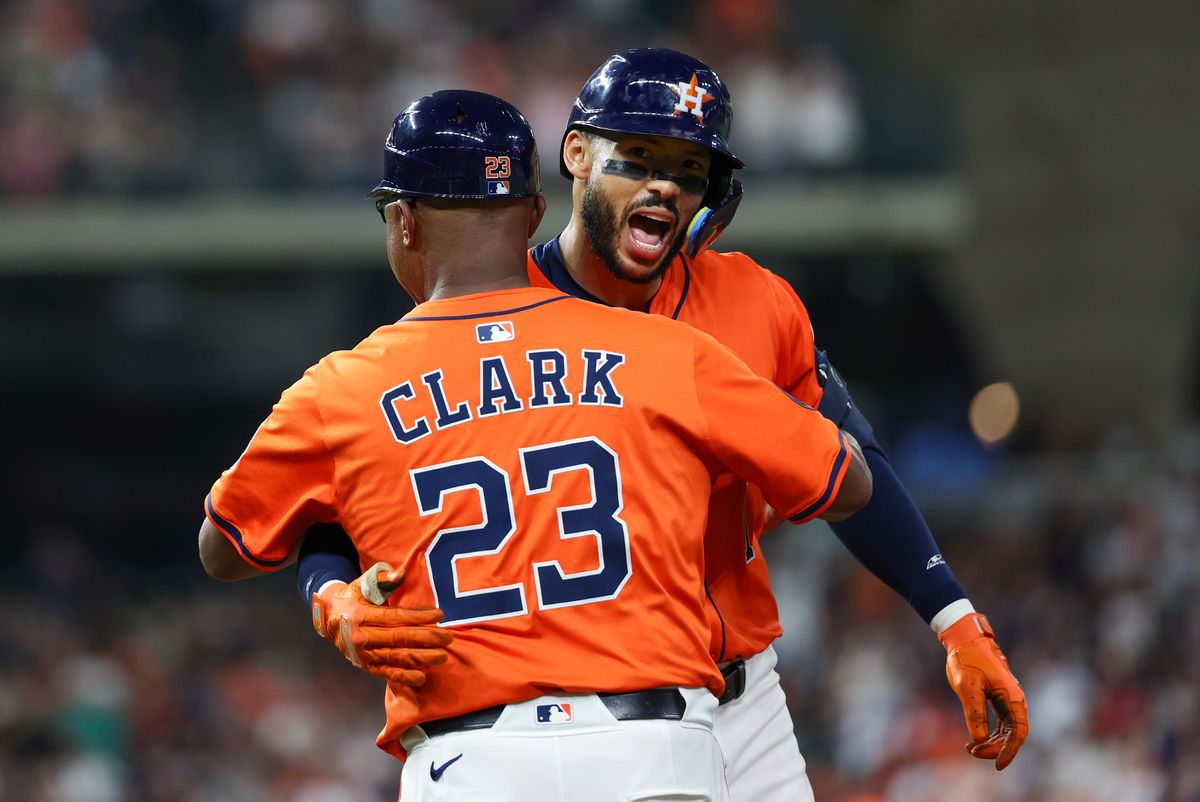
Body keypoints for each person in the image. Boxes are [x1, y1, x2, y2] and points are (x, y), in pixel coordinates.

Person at [296, 49, 1030, 799]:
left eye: (688, 170)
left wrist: (956, 618)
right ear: (575, 154)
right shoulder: (483, 317)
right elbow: (333, 500)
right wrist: (330, 590)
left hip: (740, 700)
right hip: (559, 722)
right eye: (639, 156)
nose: (663, 186)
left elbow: (855, 462)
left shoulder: (753, 301)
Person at [198, 88, 873, 802]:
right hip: (653, 751)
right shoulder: (666, 351)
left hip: (472, 766)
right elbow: (847, 481)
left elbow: (224, 546)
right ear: (535, 213)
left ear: (401, 221)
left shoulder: (342, 389)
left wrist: (332, 593)